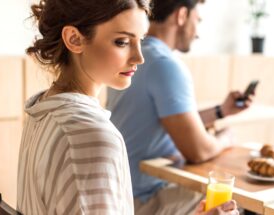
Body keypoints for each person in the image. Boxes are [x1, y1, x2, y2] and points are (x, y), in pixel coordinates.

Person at [17, 0, 238, 214]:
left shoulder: (40, 110)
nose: (139, 58)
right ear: (74, 39)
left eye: (140, 40)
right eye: (122, 42)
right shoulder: (92, 137)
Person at [107, 0, 252, 214]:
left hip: (123, 191)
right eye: (198, 21)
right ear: (182, 15)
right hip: (146, 197)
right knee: (235, 204)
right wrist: (226, 139)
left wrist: (222, 111)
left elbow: (170, 119)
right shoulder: (165, 65)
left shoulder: (132, 59)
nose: (198, 33)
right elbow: (198, 151)